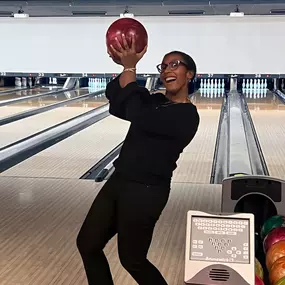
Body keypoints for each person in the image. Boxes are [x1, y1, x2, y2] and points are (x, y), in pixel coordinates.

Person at [77, 34, 200, 285]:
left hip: (146, 192)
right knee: (88, 244)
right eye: (163, 66)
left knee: (132, 259)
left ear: (190, 74)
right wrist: (124, 67)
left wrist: (132, 69)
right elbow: (117, 101)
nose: (167, 70)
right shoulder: (154, 100)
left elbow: (136, 112)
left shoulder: (187, 116)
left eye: (175, 64)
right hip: (118, 182)